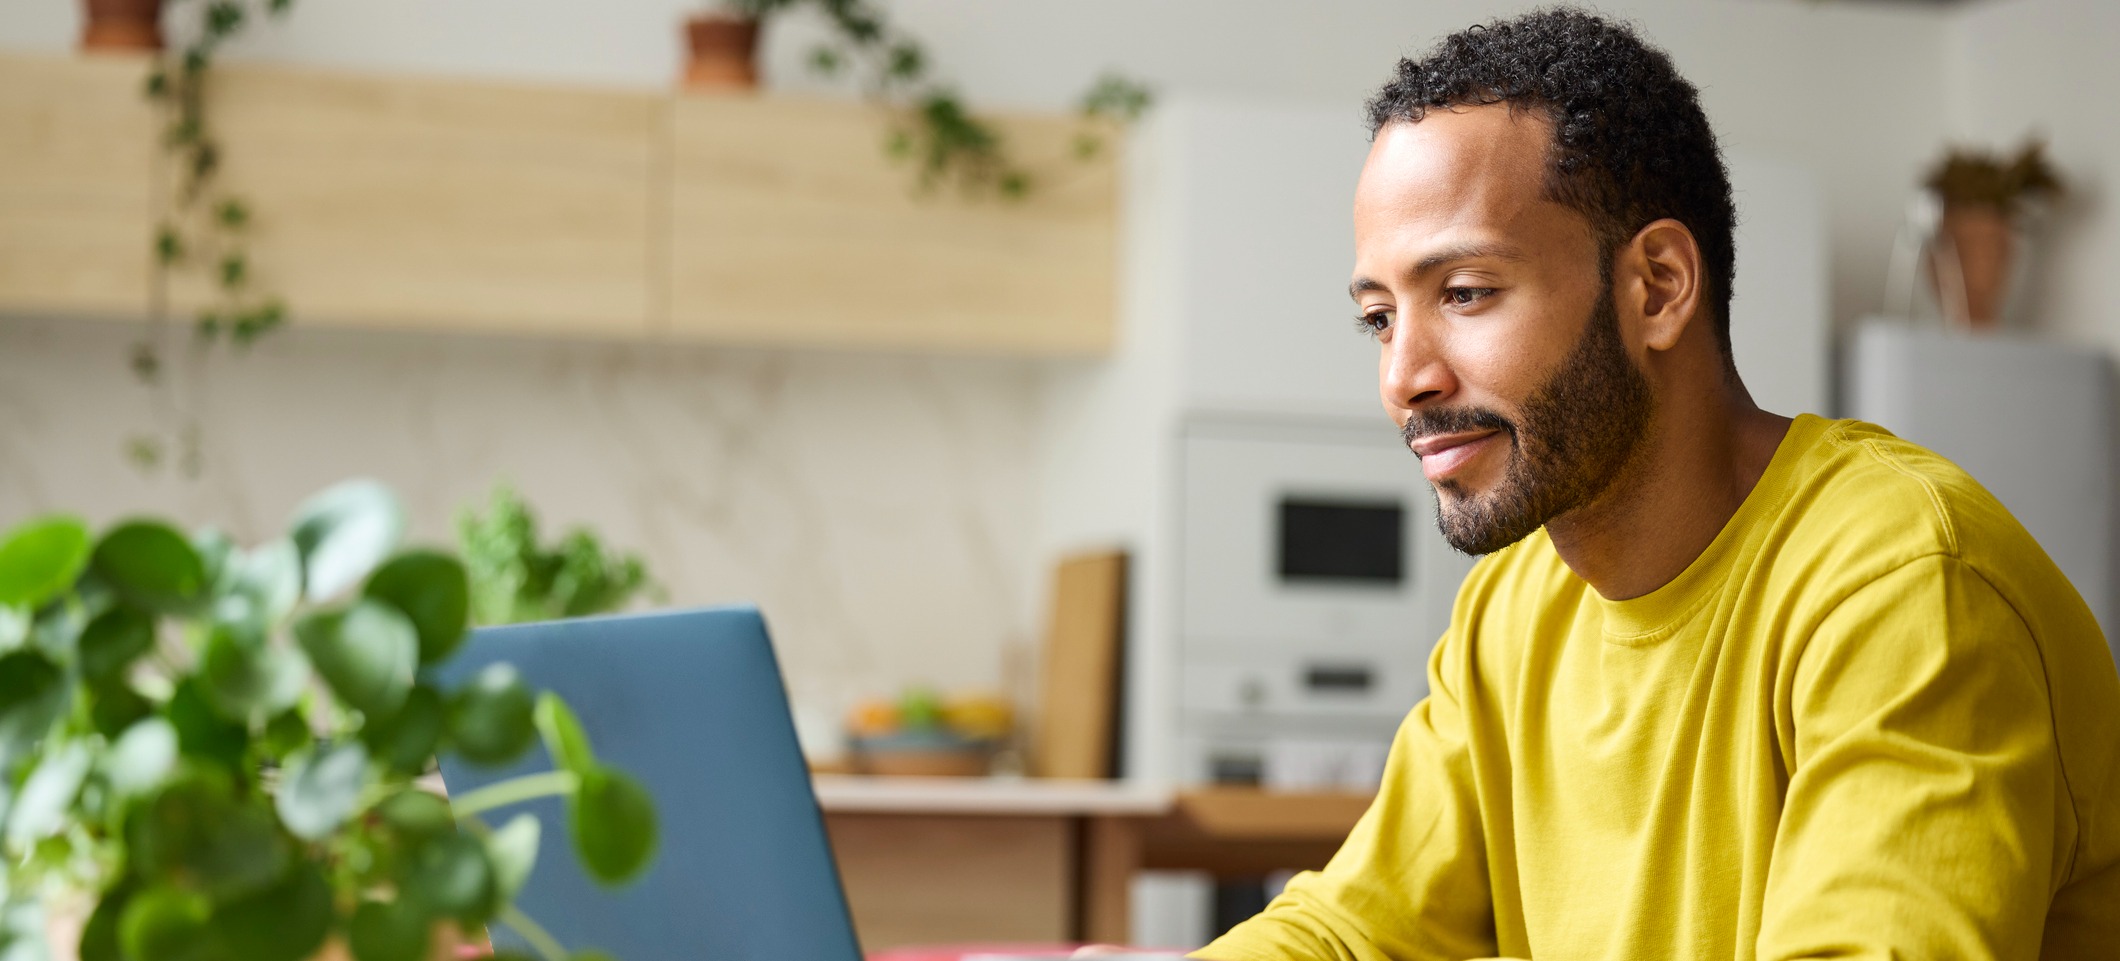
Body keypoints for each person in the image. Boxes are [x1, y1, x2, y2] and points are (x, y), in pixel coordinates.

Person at [1102, 8, 2120, 961]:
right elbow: (1353, 932)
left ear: (1657, 288)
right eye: (1379, 317)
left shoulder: (1898, 583)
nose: (1401, 376)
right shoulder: (1514, 608)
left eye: (1463, 293)